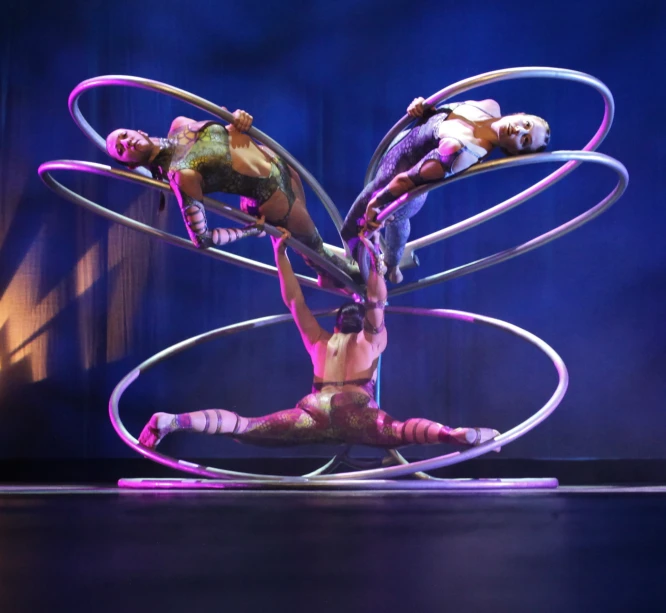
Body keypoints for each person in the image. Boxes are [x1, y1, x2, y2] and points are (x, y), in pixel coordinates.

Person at [138, 229, 500, 452]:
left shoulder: (320, 342)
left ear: (340, 319)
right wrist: (372, 259)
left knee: (246, 427)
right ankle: (454, 435)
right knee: (399, 431)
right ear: (353, 321)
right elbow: (374, 300)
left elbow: (296, 301)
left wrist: (280, 254)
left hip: (313, 412)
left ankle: (173, 421)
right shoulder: (368, 343)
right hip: (355, 413)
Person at [105, 108, 359, 288]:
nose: (127, 143)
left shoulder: (179, 124)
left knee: (318, 251)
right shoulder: (180, 176)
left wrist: (237, 119)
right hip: (272, 196)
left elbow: (222, 135)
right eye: (120, 149)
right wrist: (250, 231)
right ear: (129, 164)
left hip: (277, 164)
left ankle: (335, 274)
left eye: (124, 135)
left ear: (137, 130)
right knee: (337, 266)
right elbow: (201, 239)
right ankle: (352, 284)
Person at [341, 97, 551, 283]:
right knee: (395, 227)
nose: (519, 130)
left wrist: (378, 203)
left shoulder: (462, 152)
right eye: (526, 125)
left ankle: (376, 272)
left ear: (513, 152)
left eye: (525, 140)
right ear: (520, 115)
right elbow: (434, 116)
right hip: (392, 159)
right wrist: (423, 108)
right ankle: (393, 266)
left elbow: (407, 180)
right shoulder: (489, 106)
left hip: (395, 188)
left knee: (356, 229)